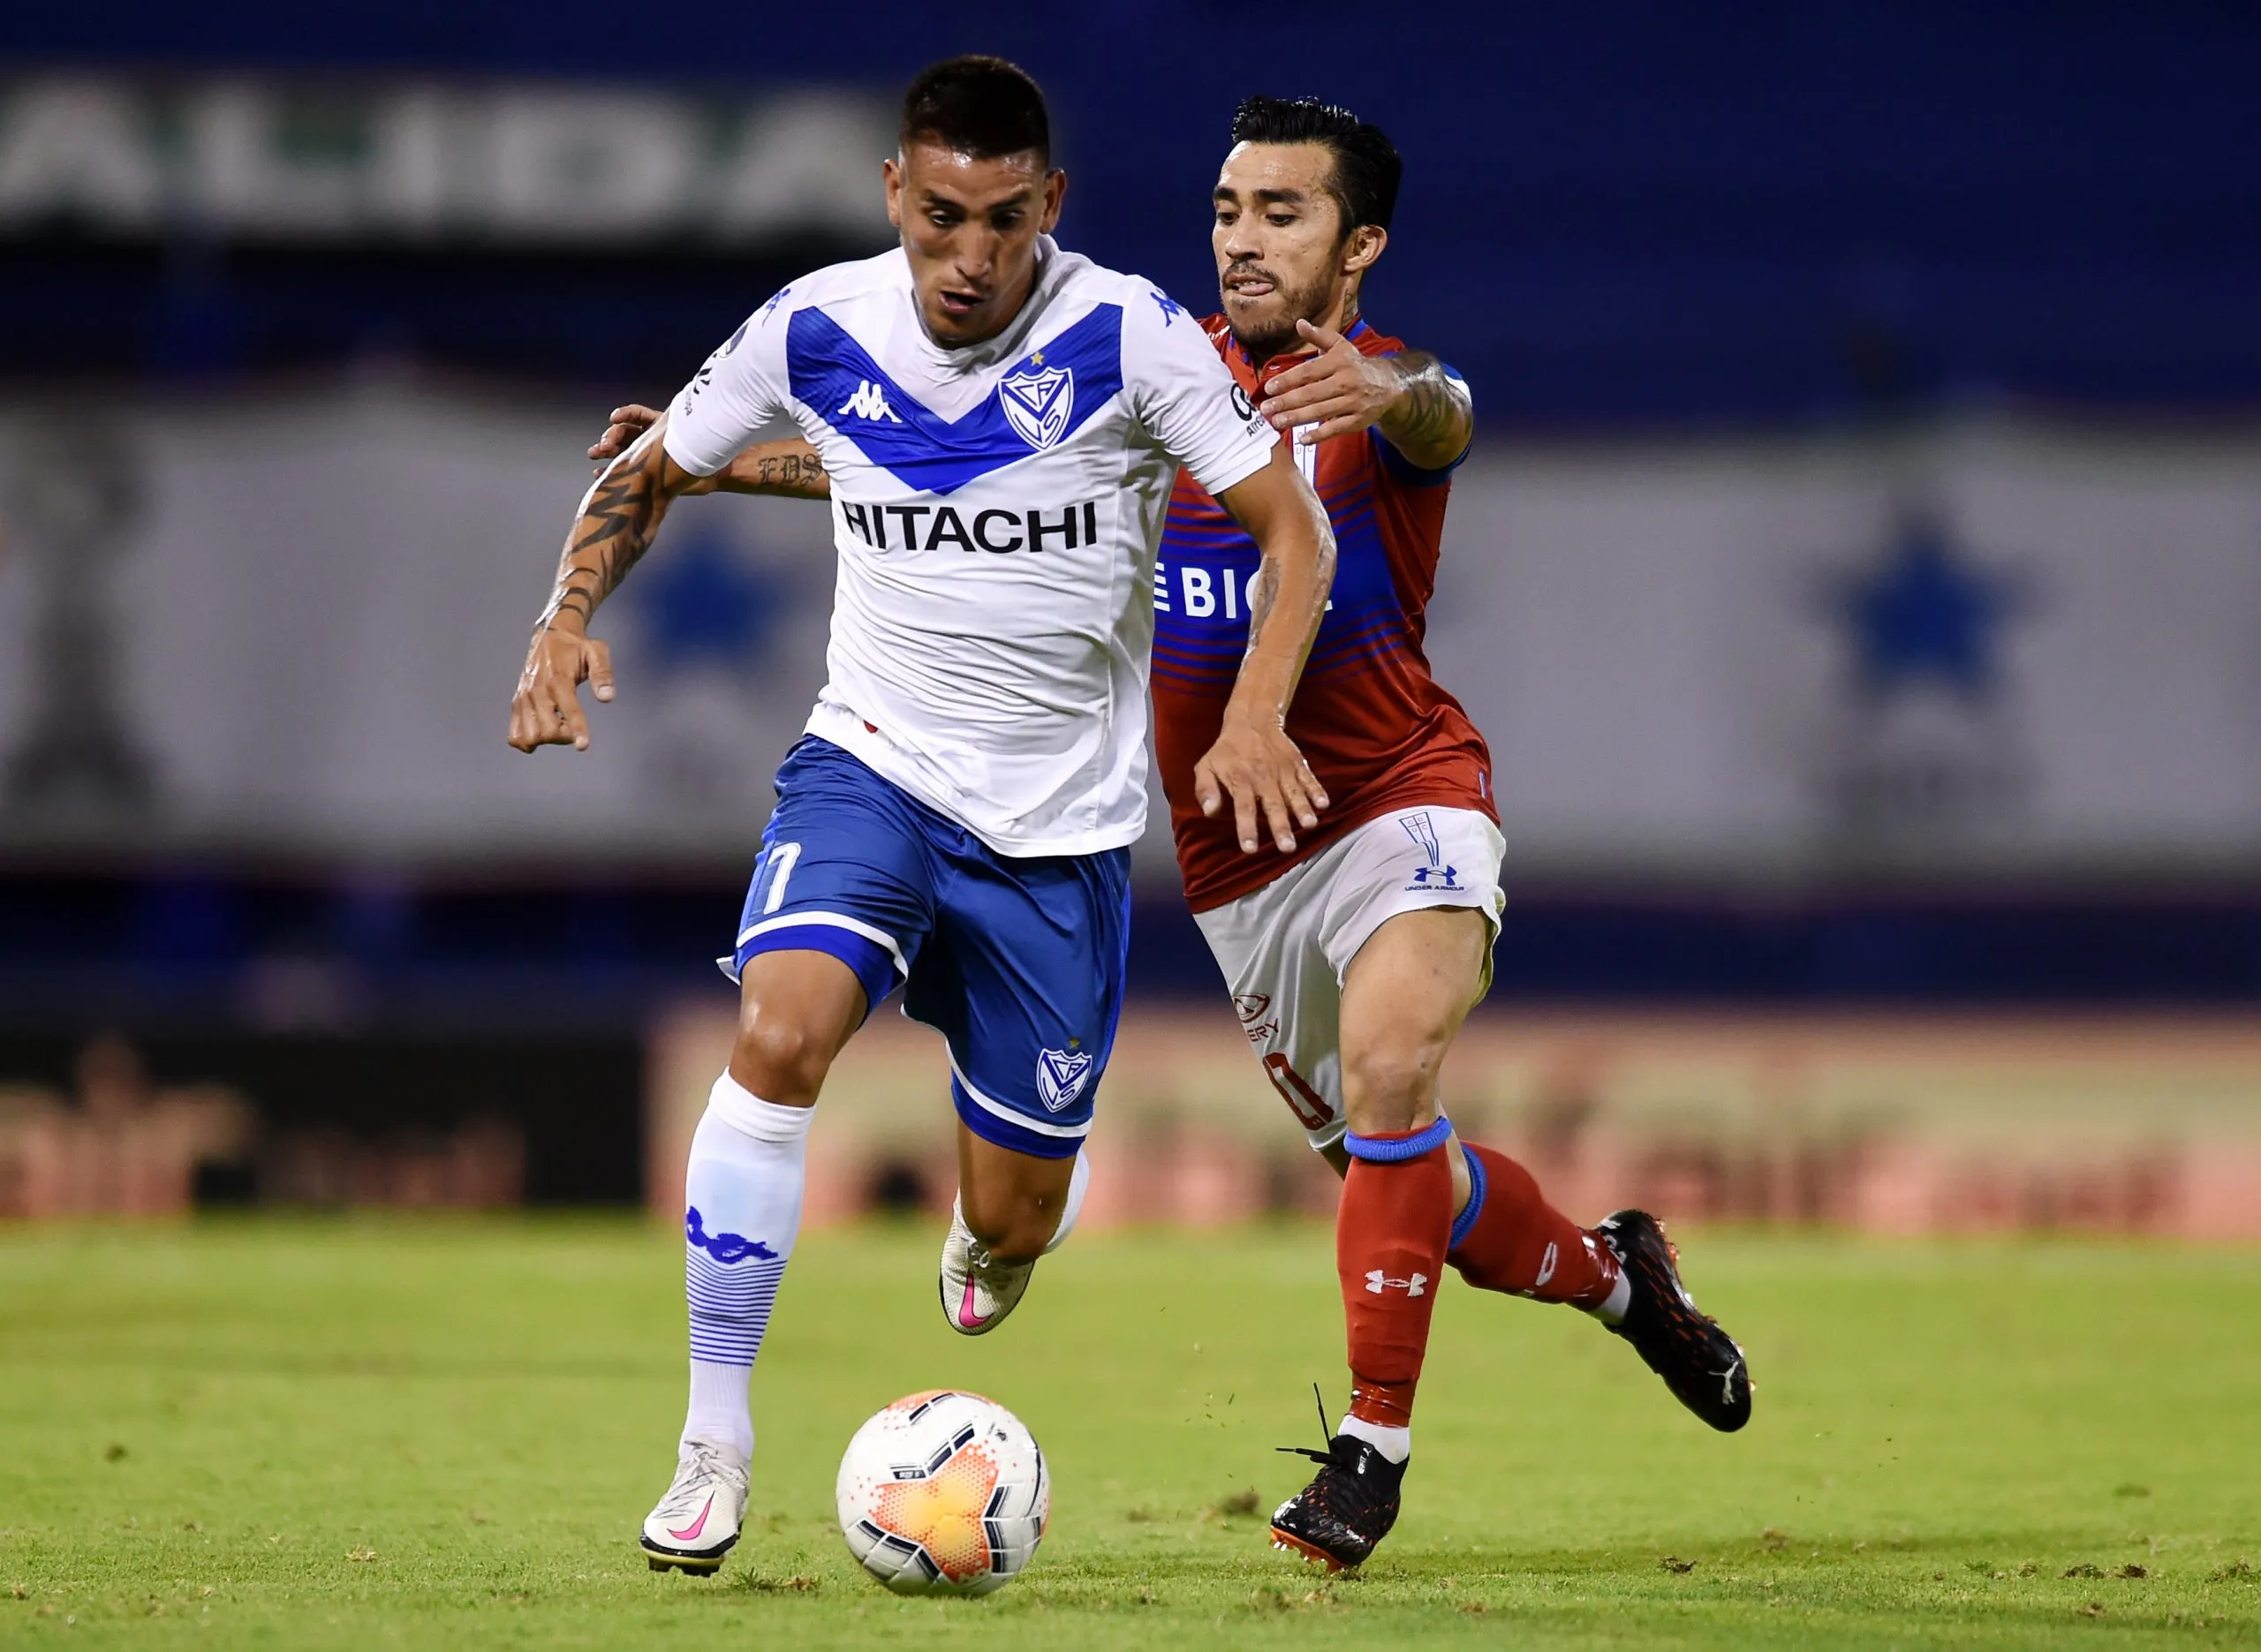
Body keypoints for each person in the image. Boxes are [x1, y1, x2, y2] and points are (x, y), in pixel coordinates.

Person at [588, 95, 1753, 1574]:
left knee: (1398, 1069)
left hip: (1399, 793)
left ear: (1361, 244)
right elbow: (951, 471)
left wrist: (1394, 401)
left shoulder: (1378, 392)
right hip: (1237, 863)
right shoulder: (1155, 363)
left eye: (1284, 213)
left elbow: (1448, 409)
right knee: (1402, 1170)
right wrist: (700, 463)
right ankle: (1618, 1280)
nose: (1245, 240)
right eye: (1227, 210)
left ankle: (1368, 1458)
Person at [510, 57, 1337, 1577]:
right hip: (872, 768)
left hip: (1061, 839)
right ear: (896, 190)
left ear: (1052, 206)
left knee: (1013, 1220)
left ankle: (1004, 1218)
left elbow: (1298, 527)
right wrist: (562, 619)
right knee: (777, 1030)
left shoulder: (1132, 336)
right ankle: (710, 1443)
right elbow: (646, 470)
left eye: (1003, 223)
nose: (968, 259)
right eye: (939, 217)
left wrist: (1260, 708)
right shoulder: (814, 324)